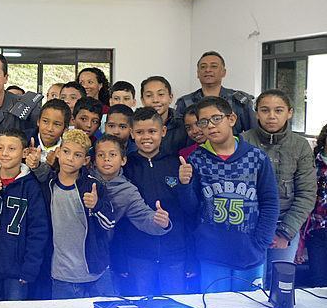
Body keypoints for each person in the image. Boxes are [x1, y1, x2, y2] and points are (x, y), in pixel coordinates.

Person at [187, 96, 279, 293]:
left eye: (216, 118)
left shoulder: (256, 158)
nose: (210, 125)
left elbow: (270, 202)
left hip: (249, 252)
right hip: (211, 254)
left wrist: (261, 242)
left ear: (231, 119)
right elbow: (190, 208)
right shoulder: (195, 159)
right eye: (204, 122)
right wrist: (184, 184)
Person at [241, 90, 315, 286]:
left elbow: (307, 194)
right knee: (251, 284)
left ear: (289, 113)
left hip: (285, 227)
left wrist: (284, 232)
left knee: (279, 285)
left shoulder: (300, 146)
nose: (271, 116)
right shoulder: (243, 141)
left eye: (278, 110)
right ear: (257, 113)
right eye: (265, 110)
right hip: (249, 229)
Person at [29, 129, 114, 299]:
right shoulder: (49, 183)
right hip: (61, 274)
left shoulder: (94, 186)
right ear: (58, 152)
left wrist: (96, 206)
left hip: (95, 272)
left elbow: (109, 224)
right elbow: (40, 173)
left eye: (77, 155)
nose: (69, 158)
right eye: (66, 152)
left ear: (86, 160)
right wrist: (36, 164)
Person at [122, 107, 197, 295]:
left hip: (174, 252)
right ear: (132, 134)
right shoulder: (126, 166)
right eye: (139, 132)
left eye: (152, 131)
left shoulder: (177, 163)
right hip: (138, 252)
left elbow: (191, 209)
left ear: (163, 132)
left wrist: (185, 184)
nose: (146, 137)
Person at [0, 129, 48, 301]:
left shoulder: (31, 186)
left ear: (25, 152)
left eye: (12, 149)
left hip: (17, 269)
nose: (4, 153)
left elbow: (38, 230)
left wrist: (30, 268)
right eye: (0, 148)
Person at [88, 135, 171, 296]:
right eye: (101, 155)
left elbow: (143, 216)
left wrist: (160, 222)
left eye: (112, 155)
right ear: (93, 160)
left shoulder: (127, 190)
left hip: (102, 253)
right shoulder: (83, 178)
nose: (106, 159)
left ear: (123, 160)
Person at [175, 51, 257, 135]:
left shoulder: (239, 100)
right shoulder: (184, 102)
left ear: (223, 72)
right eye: (203, 67)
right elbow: (179, 136)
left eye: (213, 66)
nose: (208, 70)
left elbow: (253, 134)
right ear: (198, 73)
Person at [297, 123, 327, 287]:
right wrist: (300, 244)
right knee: (319, 282)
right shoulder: (311, 163)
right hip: (316, 230)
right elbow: (303, 200)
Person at [141, 76, 187, 156]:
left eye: (161, 94)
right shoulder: (135, 124)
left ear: (170, 97)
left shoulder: (183, 124)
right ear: (142, 100)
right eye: (149, 95)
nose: (155, 100)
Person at [24, 99, 70, 166]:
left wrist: (55, 165)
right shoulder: (23, 140)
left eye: (57, 124)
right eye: (45, 121)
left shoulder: (69, 149)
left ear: (65, 129)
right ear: (38, 121)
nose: (49, 129)